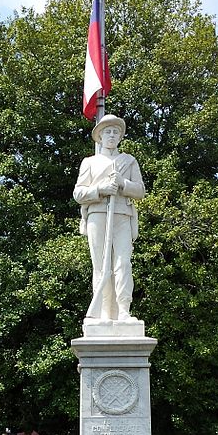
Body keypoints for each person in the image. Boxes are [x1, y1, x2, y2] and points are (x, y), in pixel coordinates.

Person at [74, 114, 145, 321]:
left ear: (121, 136)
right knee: (100, 265)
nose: (112, 135)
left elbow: (140, 191)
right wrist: (101, 189)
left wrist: (123, 183)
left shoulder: (129, 161)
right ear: (100, 137)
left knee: (123, 264)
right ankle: (104, 312)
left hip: (122, 214)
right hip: (97, 214)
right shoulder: (89, 162)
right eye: (107, 132)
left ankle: (123, 310)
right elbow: (79, 193)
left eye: (115, 132)